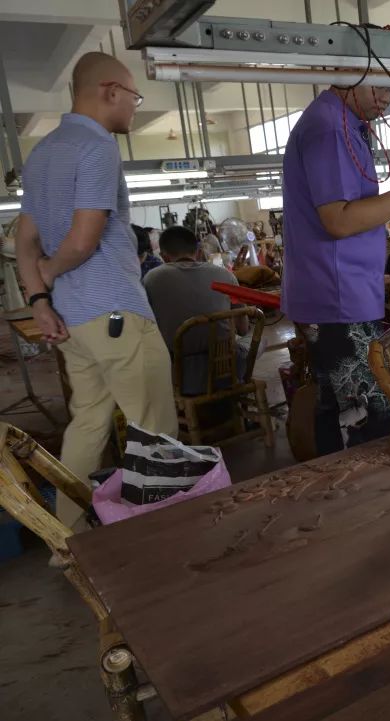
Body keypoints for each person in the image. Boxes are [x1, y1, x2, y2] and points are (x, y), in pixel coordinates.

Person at [14, 52, 178, 527]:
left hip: (75, 321)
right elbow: (85, 239)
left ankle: (69, 538)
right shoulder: (97, 145)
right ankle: (165, 533)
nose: (134, 108)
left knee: (87, 424)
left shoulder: (42, 153)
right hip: (116, 313)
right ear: (111, 92)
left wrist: (39, 299)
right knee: (155, 430)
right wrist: (49, 271)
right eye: (135, 98)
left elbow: (24, 239)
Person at [281, 79, 390, 456]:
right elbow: (339, 220)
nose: (385, 98)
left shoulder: (342, 124)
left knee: (340, 406)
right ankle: (359, 487)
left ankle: (335, 482)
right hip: (336, 295)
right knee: (366, 414)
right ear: (345, 73)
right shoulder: (330, 128)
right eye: (377, 86)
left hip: (340, 293)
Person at [143, 225, 250, 396]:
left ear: (163, 256)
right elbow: (243, 329)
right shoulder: (225, 275)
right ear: (199, 252)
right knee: (253, 341)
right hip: (228, 370)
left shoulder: (152, 279)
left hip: (178, 377)